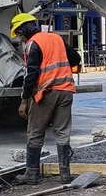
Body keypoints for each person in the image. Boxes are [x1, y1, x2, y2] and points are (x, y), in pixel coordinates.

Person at [9, 13, 82, 186]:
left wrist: (24, 101)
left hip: (46, 92)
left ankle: (31, 173)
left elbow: (30, 75)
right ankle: (65, 174)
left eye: (19, 33)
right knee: (62, 133)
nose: (19, 38)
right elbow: (76, 59)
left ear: (23, 29)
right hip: (65, 91)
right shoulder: (56, 38)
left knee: (35, 132)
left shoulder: (32, 44)